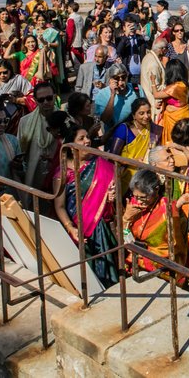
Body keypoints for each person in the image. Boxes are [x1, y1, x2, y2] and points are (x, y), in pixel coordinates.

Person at [53, 122, 118, 287]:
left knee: (105, 268)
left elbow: (109, 193)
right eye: (81, 139)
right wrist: (70, 227)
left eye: (87, 137)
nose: (87, 141)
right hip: (77, 228)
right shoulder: (63, 173)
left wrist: (110, 197)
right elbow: (59, 206)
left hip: (100, 228)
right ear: (71, 146)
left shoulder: (100, 163)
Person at [122, 169, 189, 275]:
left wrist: (144, 255)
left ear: (156, 190)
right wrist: (126, 217)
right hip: (134, 259)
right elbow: (121, 234)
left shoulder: (167, 209)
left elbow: (173, 246)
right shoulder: (132, 204)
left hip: (158, 264)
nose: (139, 201)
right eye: (136, 196)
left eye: (143, 197)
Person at [17, 81, 59, 192]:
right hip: (34, 176)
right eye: (41, 100)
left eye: (49, 98)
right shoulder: (25, 122)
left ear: (55, 96)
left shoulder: (66, 120)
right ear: (35, 101)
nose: (46, 102)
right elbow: (20, 151)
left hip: (59, 175)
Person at [108, 98, 162, 181]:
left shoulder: (153, 129)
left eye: (148, 112)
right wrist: (132, 161)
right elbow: (112, 157)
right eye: (141, 113)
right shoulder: (124, 129)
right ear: (134, 115)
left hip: (144, 176)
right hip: (124, 175)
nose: (146, 116)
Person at [155, 59, 189, 147]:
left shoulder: (177, 86)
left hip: (178, 119)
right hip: (172, 117)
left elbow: (156, 95)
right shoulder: (181, 84)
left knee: (176, 142)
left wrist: (153, 82)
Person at [94, 62, 142, 129]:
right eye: (116, 78)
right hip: (114, 135)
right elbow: (105, 120)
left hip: (137, 133)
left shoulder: (137, 89)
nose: (121, 81)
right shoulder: (102, 94)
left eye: (123, 77)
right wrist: (112, 95)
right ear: (110, 79)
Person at [139, 39, 167, 123]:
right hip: (154, 103)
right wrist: (169, 87)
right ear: (162, 49)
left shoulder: (147, 57)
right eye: (166, 49)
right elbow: (156, 87)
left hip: (148, 99)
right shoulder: (153, 64)